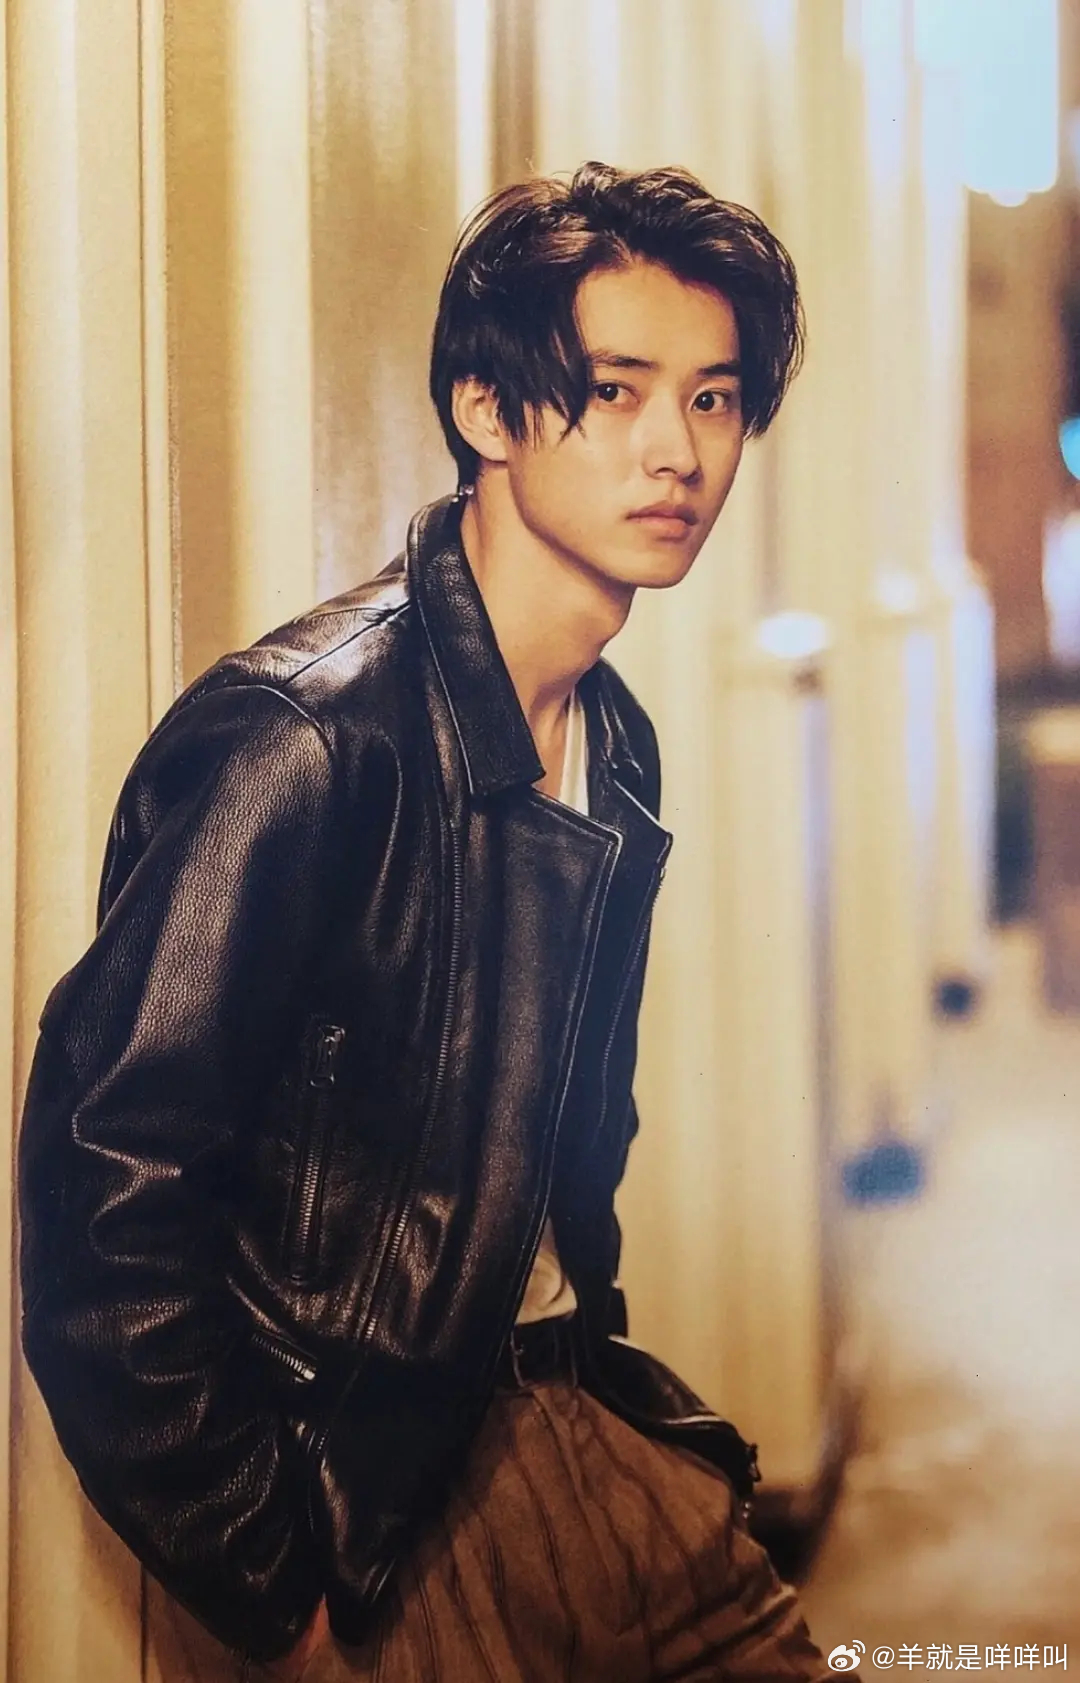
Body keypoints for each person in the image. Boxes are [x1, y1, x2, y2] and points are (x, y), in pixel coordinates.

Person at [18, 161, 840, 1681]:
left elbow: (560, 1148)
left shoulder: (614, 738)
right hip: (366, 1513)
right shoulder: (306, 739)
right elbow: (107, 1190)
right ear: (486, 409)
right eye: (616, 390)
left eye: (714, 400)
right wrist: (276, 1588)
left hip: (570, 1416)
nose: (676, 451)